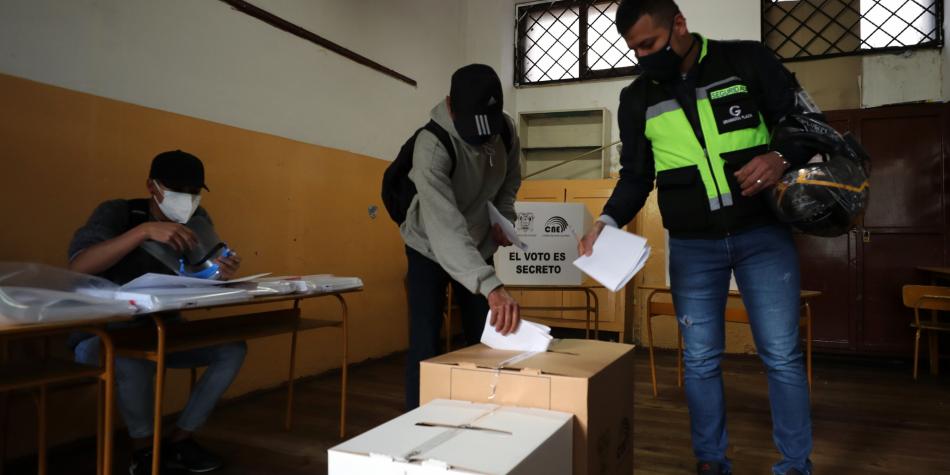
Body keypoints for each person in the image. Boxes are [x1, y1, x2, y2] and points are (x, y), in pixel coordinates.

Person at [579, 2, 814, 474]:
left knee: (783, 356)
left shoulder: (746, 61)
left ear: (679, 25)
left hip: (762, 235)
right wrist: (605, 222)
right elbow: (635, 177)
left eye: (649, 44)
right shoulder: (637, 98)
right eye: (634, 49)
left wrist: (779, 157)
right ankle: (711, 461)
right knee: (701, 360)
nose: (644, 57)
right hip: (693, 247)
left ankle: (795, 465)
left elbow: (804, 124)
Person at [68, 150, 245, 474]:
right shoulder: (119, 213)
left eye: (193, 193)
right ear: (152, 186)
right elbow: (79, 266)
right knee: (130, 359)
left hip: (166, 329)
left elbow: (201, 277)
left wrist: (221, 272)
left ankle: (180, 440)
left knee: (232, 349)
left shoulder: (198, 220)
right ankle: (145, 451)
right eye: (178, 191)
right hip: (104, 335)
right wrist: (143, 232)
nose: (188, 200)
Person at [401, 64, 523, 409]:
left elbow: (510, 179)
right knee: (425, 342)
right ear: (450, 106)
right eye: (473, 133)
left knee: (485, 338)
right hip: (428, 245)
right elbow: (446, 229)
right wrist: (493, 286)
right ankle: (416, 422)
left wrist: (505, 217)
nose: (483, 140)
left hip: (479, 241)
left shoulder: (506, 131)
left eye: (488, 132)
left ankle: (484, 413)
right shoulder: (431, 148)